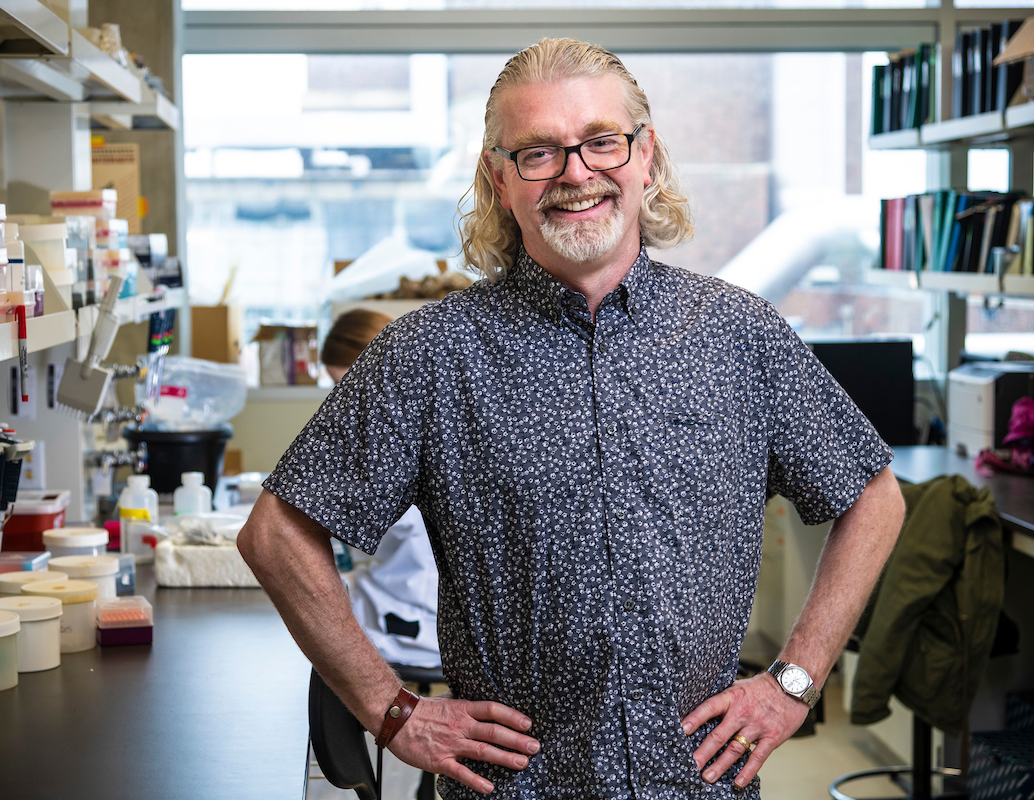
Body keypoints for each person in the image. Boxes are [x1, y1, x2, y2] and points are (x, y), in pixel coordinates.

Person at [239, 38, 905, 800]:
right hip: (513, 789)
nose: (576, 173)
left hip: (696, 783)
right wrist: (390, 709)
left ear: (645, 155)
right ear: (499, 177)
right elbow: (276, 533)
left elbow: (872, 496)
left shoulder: (739, 335)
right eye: (538, 153)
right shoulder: (429, 354)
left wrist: (793, 681)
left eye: (600, 142)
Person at [323, 309, 442, 670]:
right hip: (399, 591)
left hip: (414, 620)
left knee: (321, 635)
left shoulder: (401, 435)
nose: (345, 401)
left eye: (349, 386)